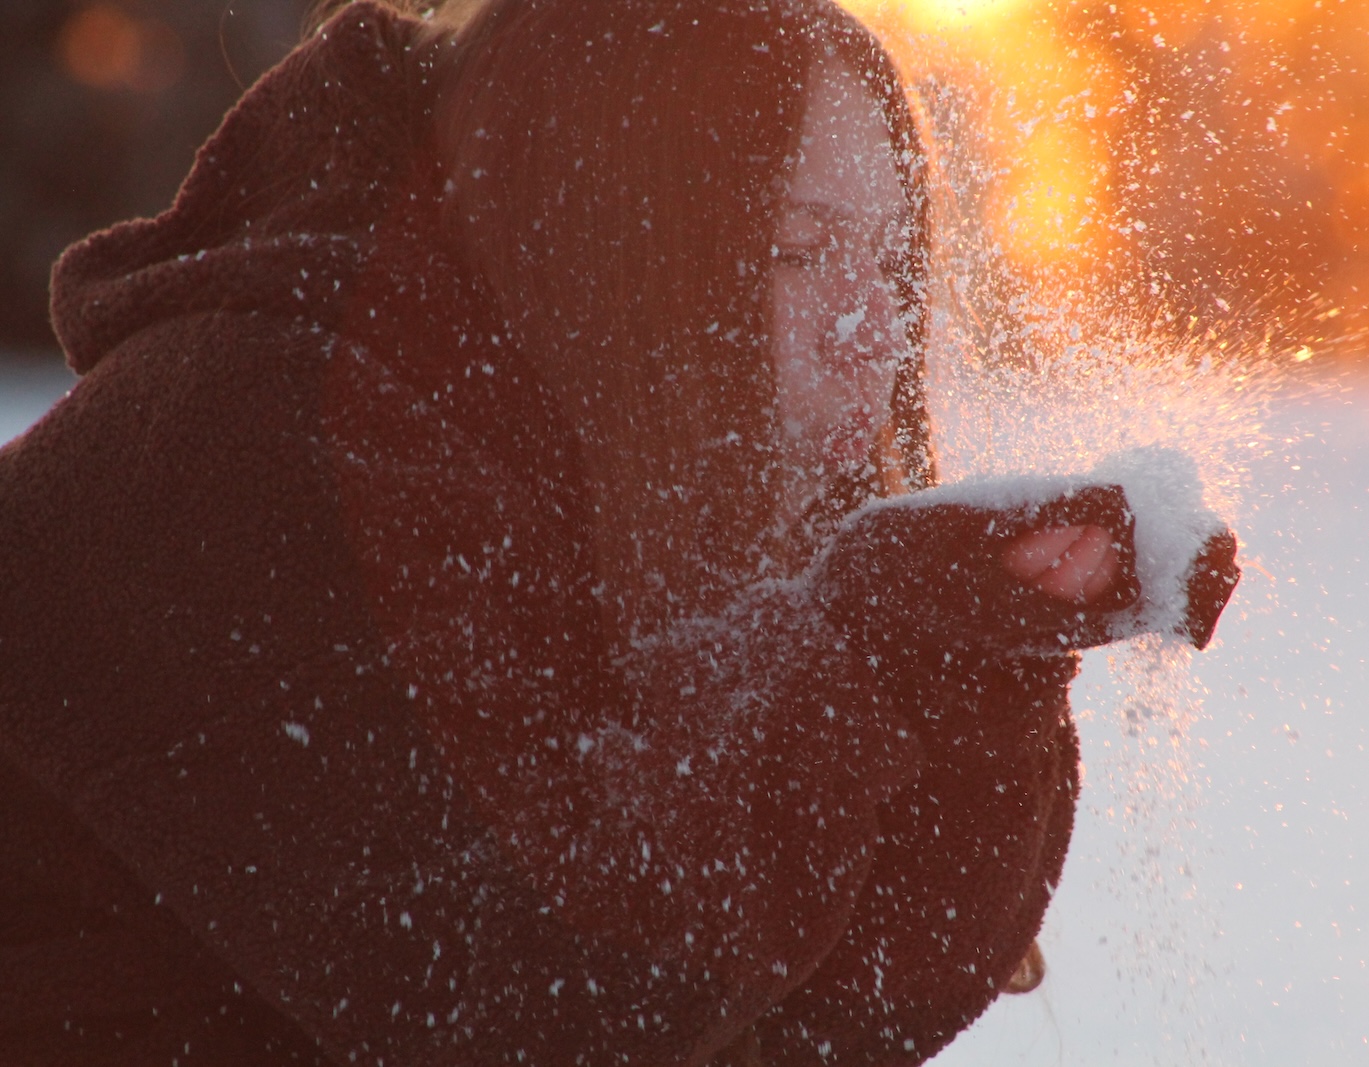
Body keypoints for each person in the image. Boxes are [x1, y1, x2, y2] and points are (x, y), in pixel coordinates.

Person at [0, 0, 1237, 1064]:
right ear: (614, 228)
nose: (871, 330)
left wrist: (958, 655)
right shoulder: (252, 439)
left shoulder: (607, 448)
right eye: (798, 250)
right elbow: (533, 990)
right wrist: (857, 645)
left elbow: (827, 1014)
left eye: (890, 261)